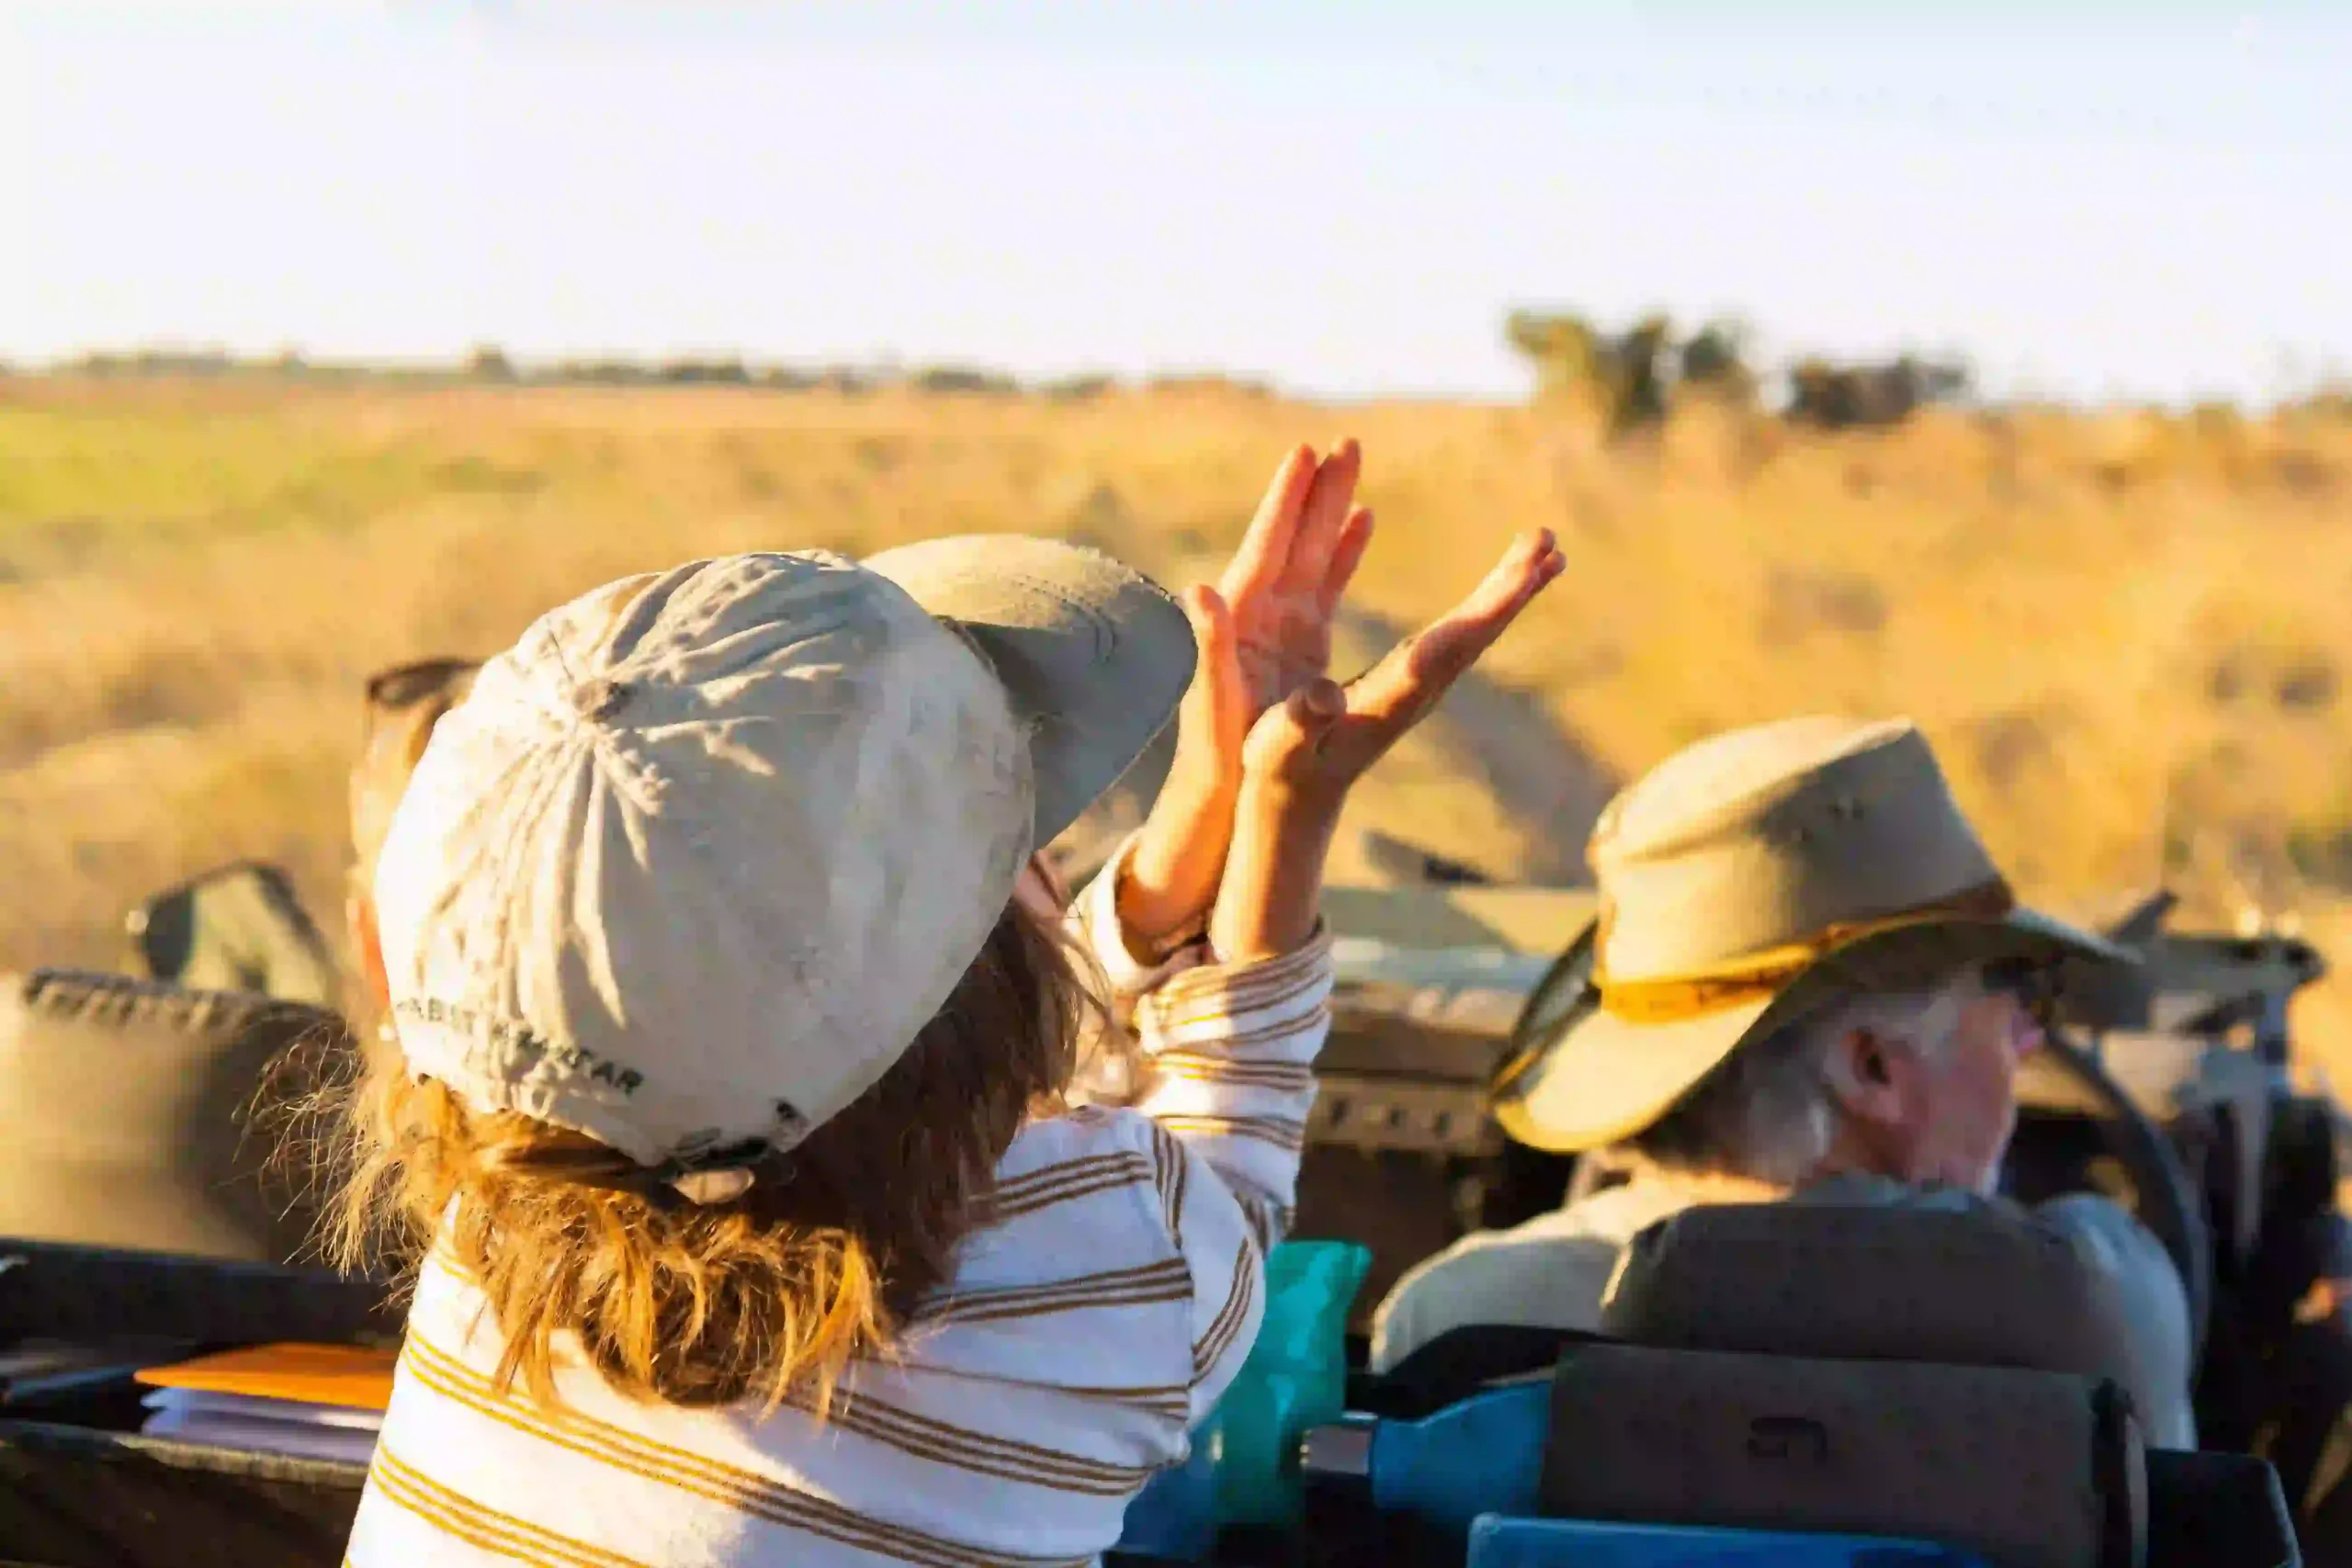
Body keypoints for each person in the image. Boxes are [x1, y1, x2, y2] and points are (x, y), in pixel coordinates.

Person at [322, 439, 1565, 1566]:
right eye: (1023, 834)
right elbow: (1225, 1170)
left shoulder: (494, 1226)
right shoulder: (1106, 1272)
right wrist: (1280, 807)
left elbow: (884, 1054)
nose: (1058, 856)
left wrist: (1206, 821)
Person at [1368, 714, 2199, 1449]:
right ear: (1872, 1068)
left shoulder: (1455, 1312)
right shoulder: (2094, 1296)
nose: (2030, 1039)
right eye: (2020, 994)